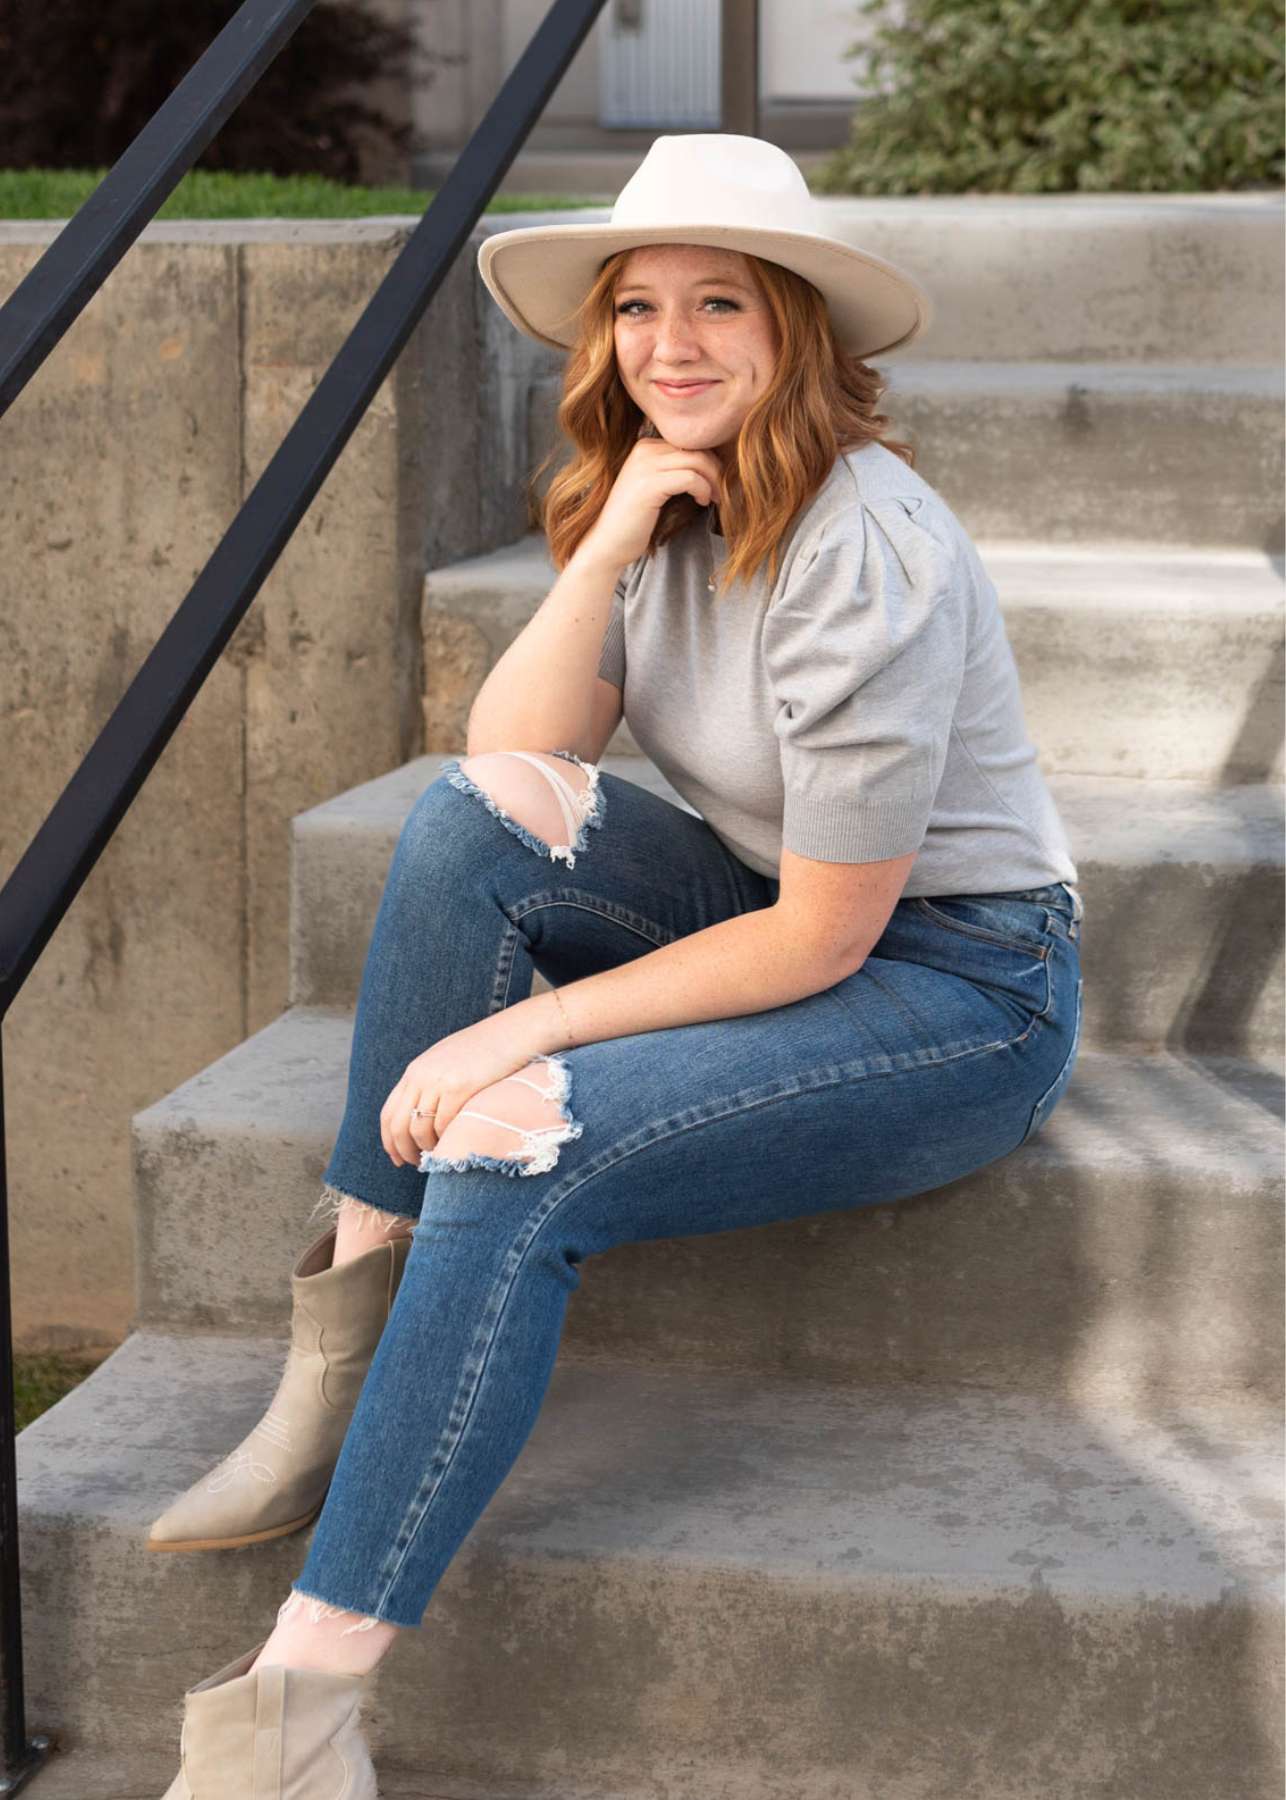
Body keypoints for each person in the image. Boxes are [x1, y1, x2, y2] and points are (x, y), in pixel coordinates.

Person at [149, 133, 1084, 1798]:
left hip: (955, 988)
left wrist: (531, 1041)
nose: (672, 343)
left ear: (793, 328)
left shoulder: (862, 550)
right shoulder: (665, 486)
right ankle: (345, 1350)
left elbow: (827, 933)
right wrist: (605, 538)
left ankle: (294, 1708)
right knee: (468, 824)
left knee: (518, 1143)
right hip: (768, 894)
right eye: (637, 307)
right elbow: (513, 762)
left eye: (718, 303)